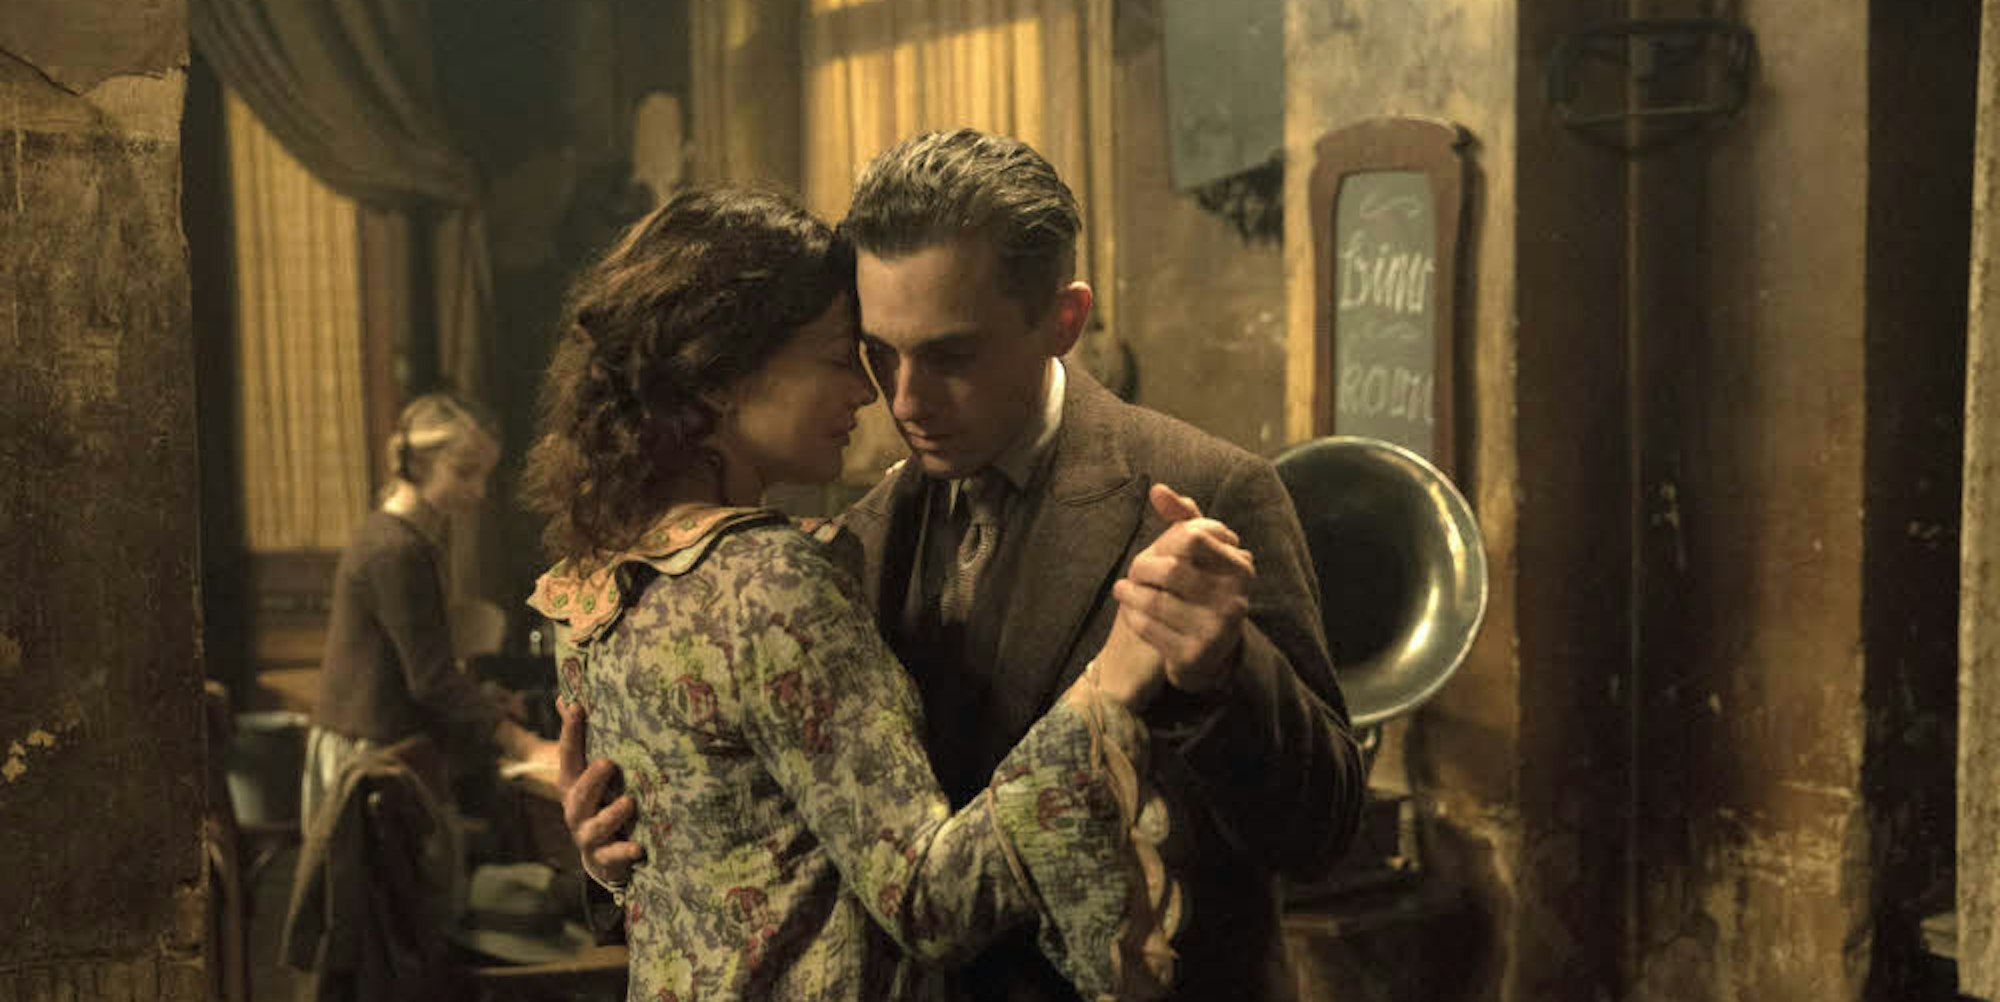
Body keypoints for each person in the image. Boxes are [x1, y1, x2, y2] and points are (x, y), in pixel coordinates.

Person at [564, 129, 1368, 1001]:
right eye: (878, 354)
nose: (903, 401)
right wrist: (628, 845)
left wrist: (1225, 674)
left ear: (1063, 321)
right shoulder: (857, 536)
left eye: (950, 356)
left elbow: (1324, 837)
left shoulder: (1207, 490)